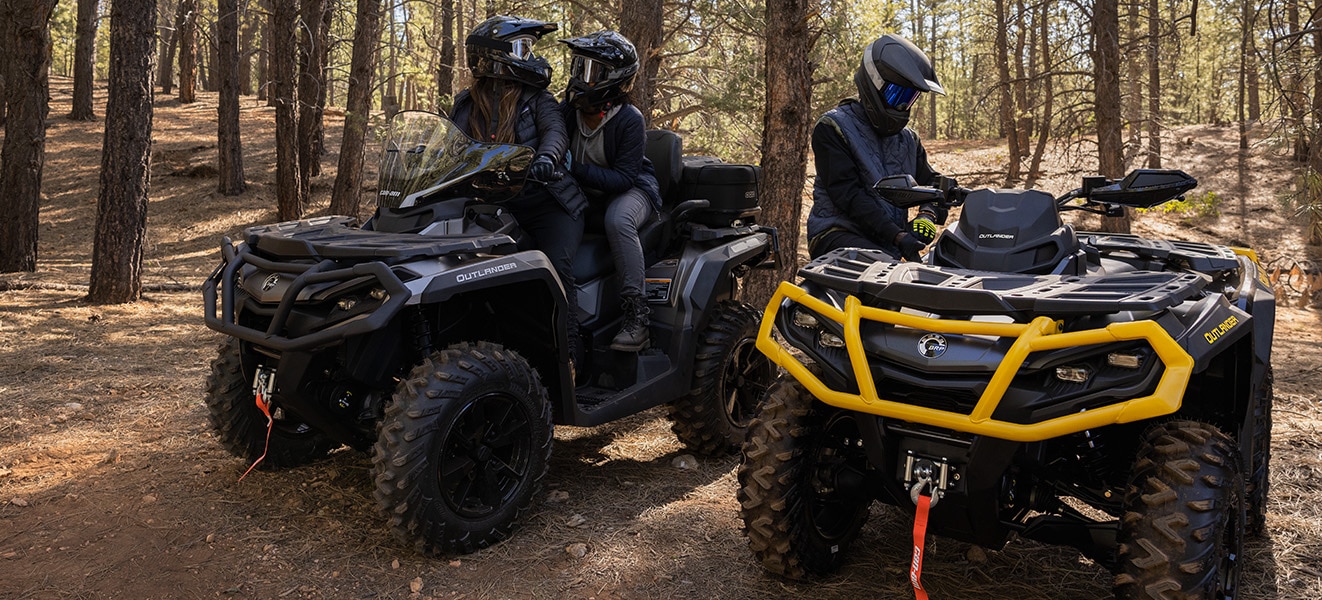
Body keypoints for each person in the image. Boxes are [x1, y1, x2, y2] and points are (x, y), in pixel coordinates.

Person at [450, 15, 587, 359]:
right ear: (496, 55)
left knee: (557, 266)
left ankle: (569, 354)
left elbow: (556, 133)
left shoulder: (538, 99)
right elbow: (449, 144)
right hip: (495, 207)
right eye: (523, 48)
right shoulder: (466, 104)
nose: (531, 57)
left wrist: (546, 158)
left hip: (549, 202)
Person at [805, 33, 952, 261]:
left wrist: (928, 214)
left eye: (909, 98)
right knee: (889, 284)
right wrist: (898, 236)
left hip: (886, 244)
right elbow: (849, 195)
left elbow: (935, 184)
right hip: (836, 235)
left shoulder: (908, 140)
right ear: (874, 84)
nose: (902, 105)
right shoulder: (833, 127)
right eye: (896, 95)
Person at [558, 31, 662, 352]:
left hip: (633, 190)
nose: (580, 79)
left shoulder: (629, 119)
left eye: (591, 72)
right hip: (587, 192)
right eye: (579, 68)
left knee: (618, 220)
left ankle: (636, 317)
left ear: (615, 80)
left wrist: (575, 168)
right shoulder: (567, 112)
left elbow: (623, 179)